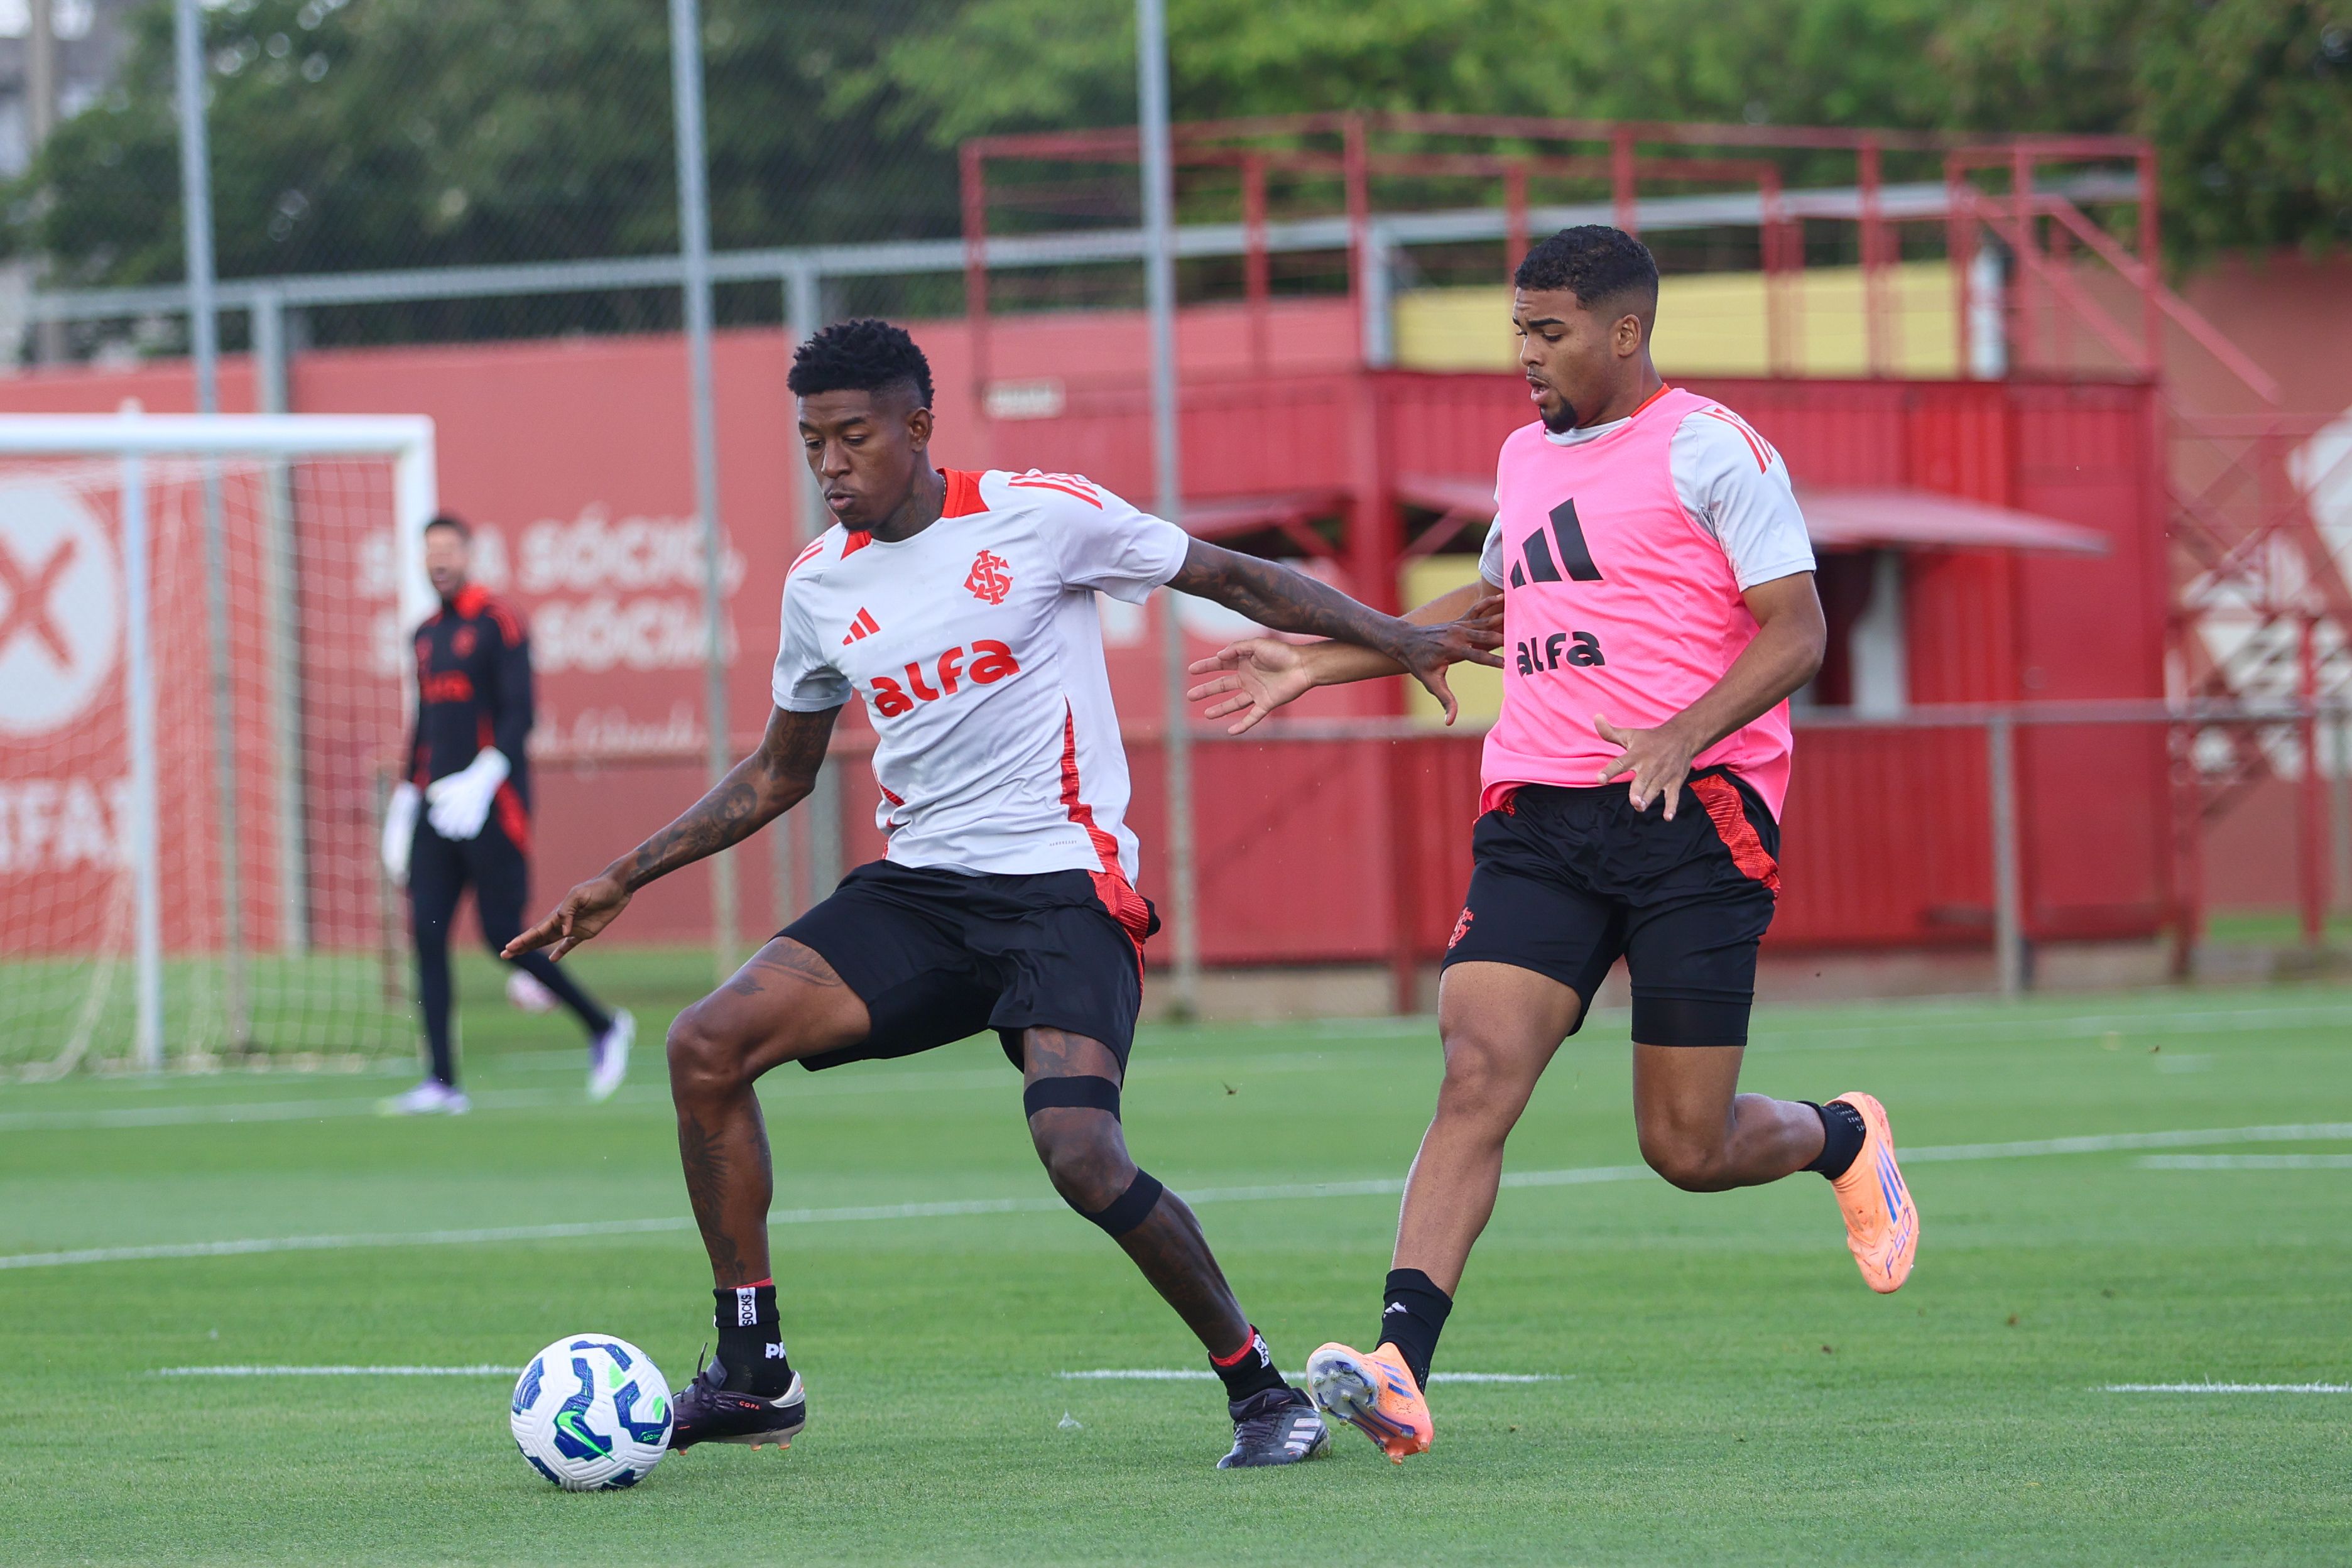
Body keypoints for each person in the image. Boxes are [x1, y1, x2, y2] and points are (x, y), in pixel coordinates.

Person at [504, 318, 1500, 1468]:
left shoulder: (1039, 513)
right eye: (810, 443)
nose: (829, 465)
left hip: (1063, 894)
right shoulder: (820, 587)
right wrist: (625, 873)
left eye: (851, 438)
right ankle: (750, 1373)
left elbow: (1231, 576)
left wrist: (1392, 635)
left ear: (917, 428)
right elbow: (782, 771)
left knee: (1079, 1151)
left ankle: (1257, 1391)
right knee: (703, 1045)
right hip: (922, 897)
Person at [1185, 226, 1920, 1463]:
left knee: (1686, 1148)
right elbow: (1480, 619)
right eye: (1518, 331)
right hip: (1541, 812)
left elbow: (1796, 633)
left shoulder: (1712, 447)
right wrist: (1314, 662)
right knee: (1477, 1067)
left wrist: (1683, 735)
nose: (1524, 356)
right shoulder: (1525, 459)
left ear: (1624, 331)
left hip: (1698, 816)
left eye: (1549, 332)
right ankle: (1398, 1368)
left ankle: (1842, 1135)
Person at [381, 514, 633, 1114]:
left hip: (491, 804)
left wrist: (487, 772)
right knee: (427, 935)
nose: (438, 560)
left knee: (503, 933)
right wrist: (405, 795)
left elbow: (521, 712)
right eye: (429, 551)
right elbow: (425, 725)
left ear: (468, 554)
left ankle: (603, 1026)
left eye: (448, 549)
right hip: (436, 806)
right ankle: (442, 1081)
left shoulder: (499, 622)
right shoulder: (423, 635)